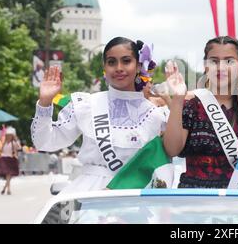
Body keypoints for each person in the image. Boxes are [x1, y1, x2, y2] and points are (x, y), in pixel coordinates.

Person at [31, 37, 169, 193]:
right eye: (111, 62)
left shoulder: (157, 116)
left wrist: (175, 103)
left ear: (138, 66)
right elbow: (44, 143)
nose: (118, 68)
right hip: (90, 196)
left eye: (126, 61)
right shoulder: (87, 105)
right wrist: (45, 102)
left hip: (136, 195)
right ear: (104, 67)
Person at [163, 36, 238, 188]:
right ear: (205, 67)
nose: (221, 67)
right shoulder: (192, 106)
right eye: (214, 61)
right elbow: (172, 150)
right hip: (194, 197)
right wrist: (178, 99)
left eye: (229, 61)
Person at [0, 126, 21, 194]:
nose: (9, 137)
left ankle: (6, 189)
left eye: (10, 135)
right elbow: (1, 151)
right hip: (4, 159)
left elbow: (19, 147)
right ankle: (7, 189)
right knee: (8, 175)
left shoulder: (14, 143)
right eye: (8, 135)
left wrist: (16, 139)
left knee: (9, 174)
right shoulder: (4, 142)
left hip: (11, 160)